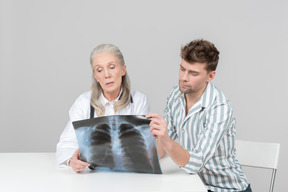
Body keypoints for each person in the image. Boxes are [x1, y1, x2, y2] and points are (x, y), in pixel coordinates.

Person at [147, 39, 252, 192]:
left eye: (193, 73)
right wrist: (147, 149)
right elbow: (162, 147)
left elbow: (196, 163)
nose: (184, 77)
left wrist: (166, 139)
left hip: (226, 189)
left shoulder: (220, 108)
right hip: (193, 185)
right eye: (182, 69)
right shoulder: (176, 94)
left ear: (210, 76)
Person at [56, 44, 150, 172]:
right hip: (91, 177)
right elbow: (66, 144)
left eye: (112, 67)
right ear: (95, 76)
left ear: (123, 70)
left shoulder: (139, 100)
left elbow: (145, 147)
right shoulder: (83, 102)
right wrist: (72, 160)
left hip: (129, 175)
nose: (107, 75)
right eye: (99, 70)